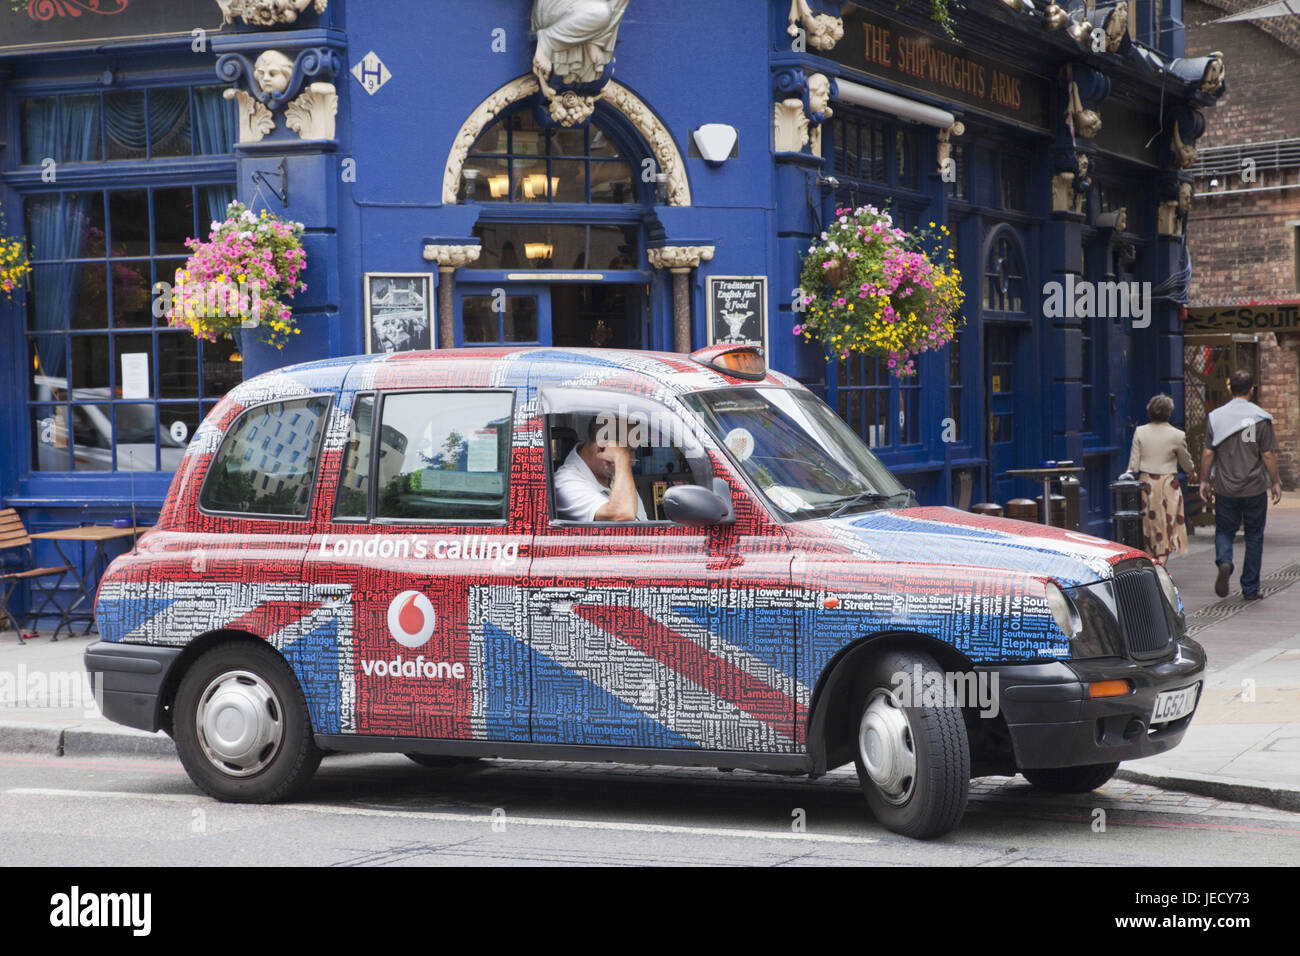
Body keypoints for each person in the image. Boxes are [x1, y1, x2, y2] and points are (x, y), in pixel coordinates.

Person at [1199, 370, 1284, 600]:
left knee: (1225, 530)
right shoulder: (1261, 417)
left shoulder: (1215, 417)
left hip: (1226, 487)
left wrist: (1204, 480)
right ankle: (1250, 588)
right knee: (1255, 535)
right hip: (1254, 487)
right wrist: (1275, 482)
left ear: (1230, 389)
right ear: (1252, 390)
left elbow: (1208, 452)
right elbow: (1267, 454)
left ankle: (1225, 561)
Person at [1128, 394, 1196, 565]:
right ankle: (1161, 566)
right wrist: (1192, 472)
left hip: (1146, 486)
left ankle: (1154, 564)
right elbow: (1186, 461)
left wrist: (1129, 474)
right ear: (1169, 413)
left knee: (1149, 526)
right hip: (1167, 486)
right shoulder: (1177, 435)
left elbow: (1133, 465)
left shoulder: (1140, 432)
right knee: (1167, 526)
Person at [553, 415, 647, 522]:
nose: (633, 461)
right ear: (602, 448)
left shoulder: (615, 474)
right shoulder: (566, 483)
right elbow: (623, 515)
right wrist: (621, 458)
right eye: (629, 451)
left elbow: (643, 521)